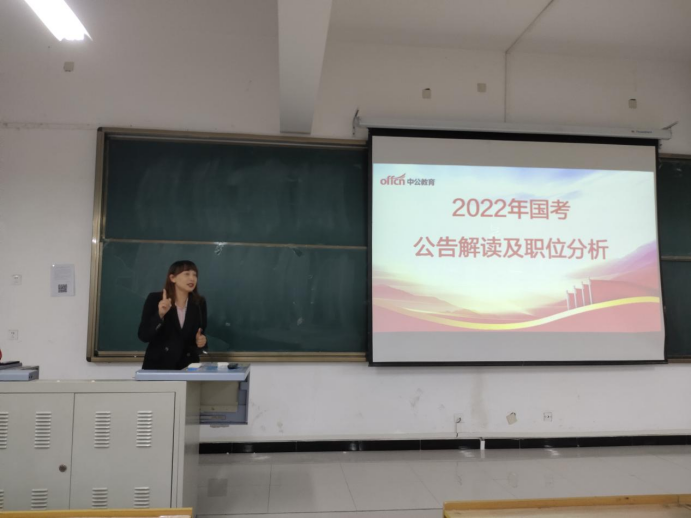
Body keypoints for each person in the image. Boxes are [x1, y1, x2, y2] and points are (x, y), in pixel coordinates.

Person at [139, 260, 208, 370]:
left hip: (188, 366)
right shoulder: (155, 299)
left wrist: (201, 342)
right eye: (187, 274)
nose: (192, 278)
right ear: (172, 278)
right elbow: (144, 335)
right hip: (159, 366)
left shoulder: (199, 303)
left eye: (195, 275)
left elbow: (200, 335)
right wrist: (160, 314)